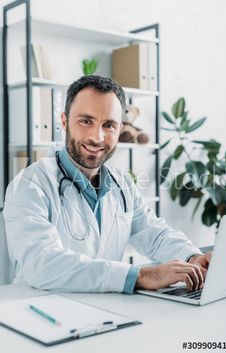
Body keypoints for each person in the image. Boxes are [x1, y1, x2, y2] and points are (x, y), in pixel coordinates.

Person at [3, 75, 212, 294]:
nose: (97, 137)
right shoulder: (29, 186)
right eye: (86, 121)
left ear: (120, 128)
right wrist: (140, 276)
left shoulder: (122, 184)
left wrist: (192, 258)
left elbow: (154, 233)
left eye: (109, 125)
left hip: (107, 311)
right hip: (41, 312)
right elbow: (42, 264)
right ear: (64, 122)